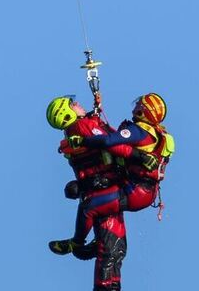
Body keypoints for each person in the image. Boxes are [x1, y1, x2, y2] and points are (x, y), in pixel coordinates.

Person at [53, 92, 176, 250]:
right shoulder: (155, 131)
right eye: (73, 104)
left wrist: (82, 141)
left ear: (143, 112)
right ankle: (99, 244)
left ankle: (76, 243)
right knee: (85, 194)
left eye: (139, 105)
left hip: (136, 190)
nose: (135, 106)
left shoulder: (138, 131)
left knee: (88, 207)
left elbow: (108, 140)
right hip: (141, 189)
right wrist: (96, 111)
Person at [46, 95, 128, 291]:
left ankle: (109, 283)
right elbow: (110, 142)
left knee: (115, 248)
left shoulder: (74, 131)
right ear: (66, 114)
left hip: (103, 191)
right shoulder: (82, 127)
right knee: (110, 250)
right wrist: (137, 152)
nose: (77, 103)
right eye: (72, 104)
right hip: (105, 191)